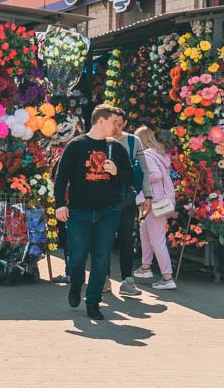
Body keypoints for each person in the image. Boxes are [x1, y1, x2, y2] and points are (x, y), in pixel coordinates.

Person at [53, 104, 136, 319]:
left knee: (101, 258)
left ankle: (93, 303)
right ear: (101, 120)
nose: (117, 127)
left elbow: (130, 177)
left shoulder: (116, 148)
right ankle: (76, 285)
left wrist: (117, 171)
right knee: (78, 257)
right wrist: (60, 204)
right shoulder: (76, 146)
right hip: (79, 211)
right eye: (113, 122)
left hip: (108, 212)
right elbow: (61, 178)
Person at [110, 109, 152, 296]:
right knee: (104, 240)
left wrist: (148, 197)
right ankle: (103, 279)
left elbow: (144, 170)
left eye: (120, 123)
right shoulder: (100, 139)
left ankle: (127, 280)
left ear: (125, 123)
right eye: (113, 123)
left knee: (127, 239)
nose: (116, 127)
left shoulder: (134, 141)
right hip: (103, 199)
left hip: (127, 198)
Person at [132, 126, 178, 290]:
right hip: (159, 200)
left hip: (154, 201)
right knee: (145, 233)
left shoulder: (147, 155)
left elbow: (155, 175)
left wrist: (137, 177)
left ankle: (167, 278)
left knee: (157, 240)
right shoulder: (159, 154)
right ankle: (145, 267)